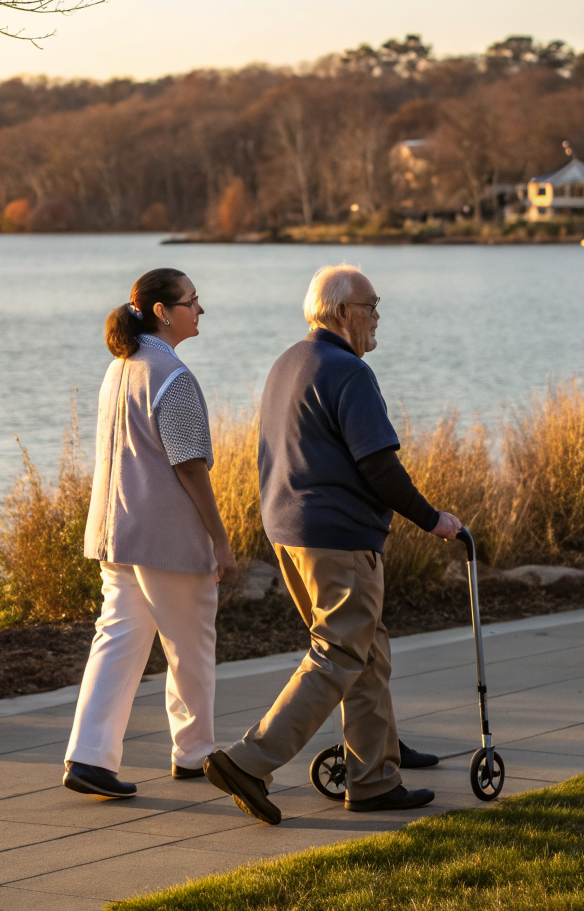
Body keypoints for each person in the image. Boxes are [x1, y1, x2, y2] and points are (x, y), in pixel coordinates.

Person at [203, 264, 462, 825]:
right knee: (340, 651)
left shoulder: (288, 362)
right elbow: (378, 466)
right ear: (343, 312)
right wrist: (432, 519)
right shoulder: (349, 372)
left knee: (367, 651)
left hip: (289, 532)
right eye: (371, 307)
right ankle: (248, 761)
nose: (377, 318)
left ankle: (374, 777)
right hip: (338, 537)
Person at [63, 268, 240, 799]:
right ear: (163, 312)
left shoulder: (119, 368)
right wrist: (221, 539)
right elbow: (190, 467)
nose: (200, 309)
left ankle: (88, 757)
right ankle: (194, 753)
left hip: (117, 531)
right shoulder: (171, 375)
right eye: (192, 300)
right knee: (190, 645)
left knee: (117, 640)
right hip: (166, 539)